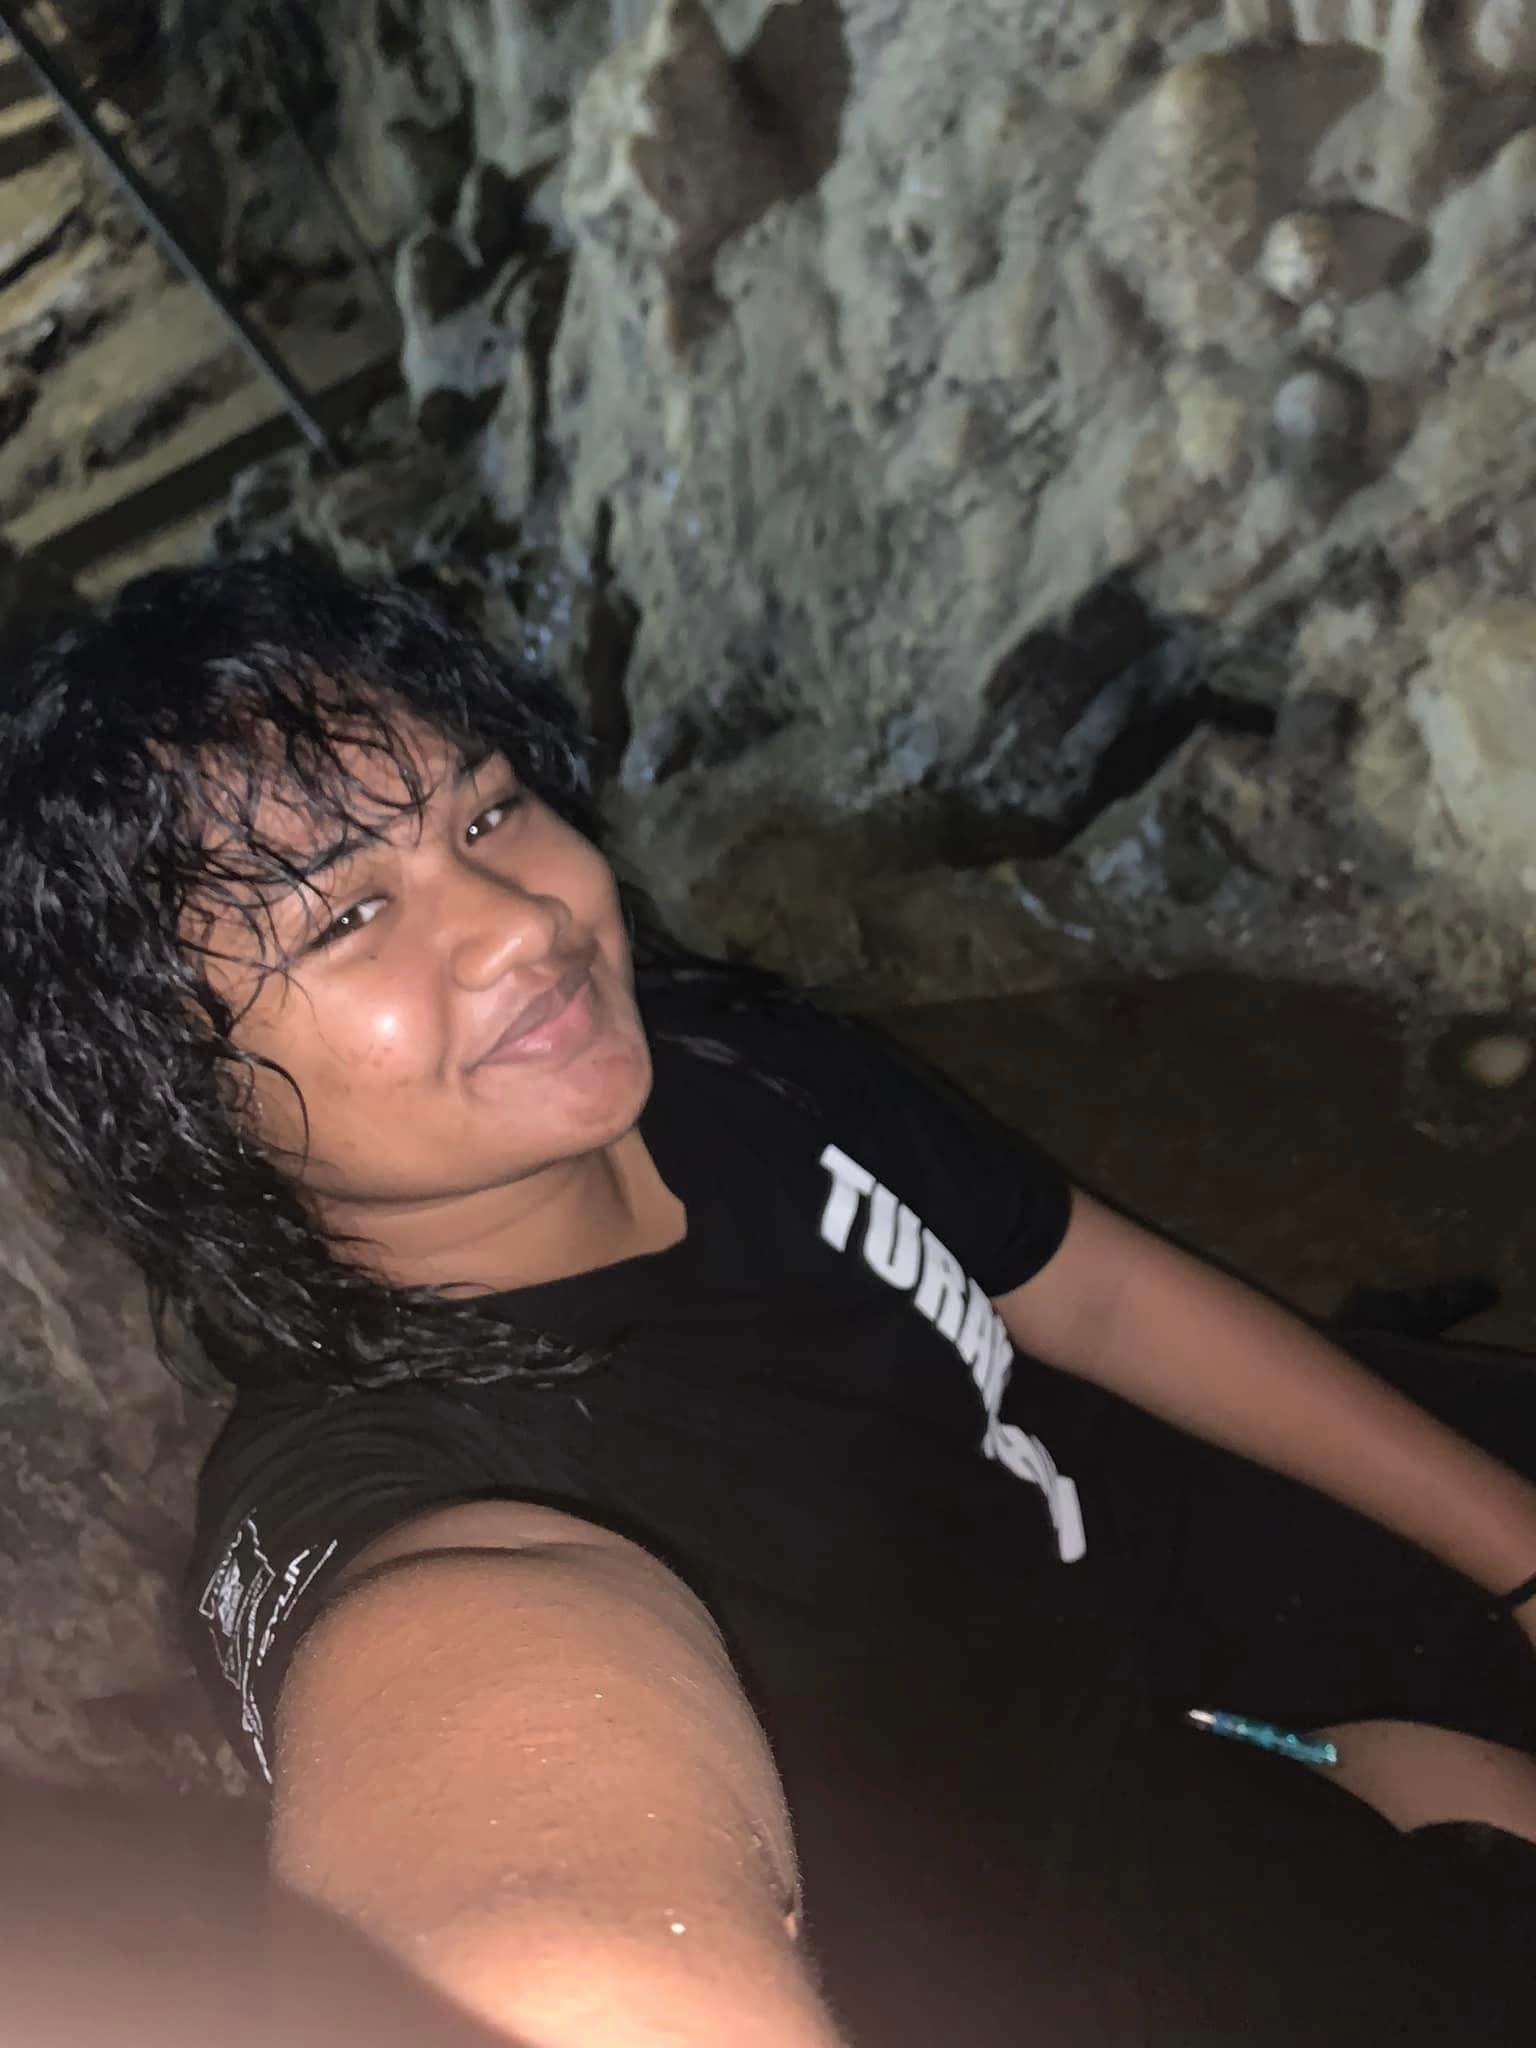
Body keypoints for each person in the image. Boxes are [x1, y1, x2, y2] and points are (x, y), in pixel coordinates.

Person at [0, 554, 1533, 2046]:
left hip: (1162, 1561)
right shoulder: (389, 1487)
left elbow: (1091, 1292)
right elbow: (500, 1835)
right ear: (170, 1095)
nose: (523, 922)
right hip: (1089, 1924)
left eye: (489, 812)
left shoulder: (729, 1067)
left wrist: (1518, 1557)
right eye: (346, 917)